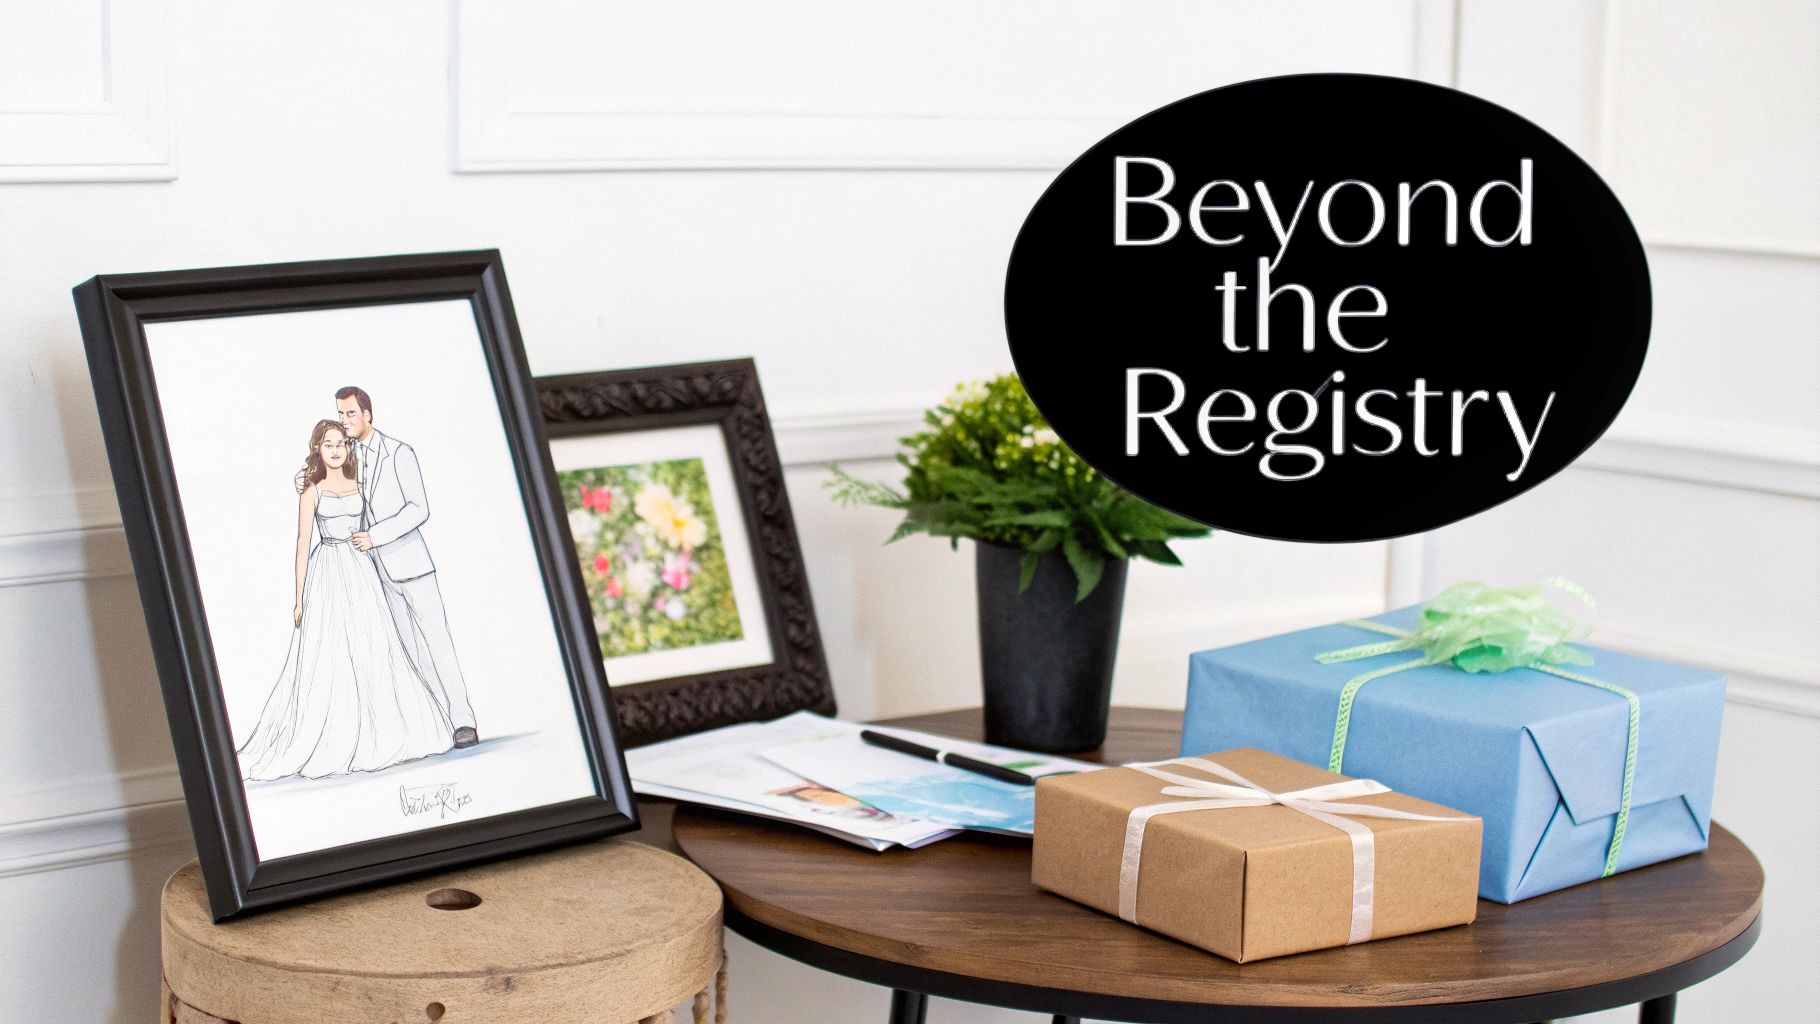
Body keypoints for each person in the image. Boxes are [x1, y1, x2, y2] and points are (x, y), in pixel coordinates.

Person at [238, 421, 454, 780]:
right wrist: (298, 597)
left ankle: (381, 731)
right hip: (328, 572)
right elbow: (302, 544)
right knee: (330, 653)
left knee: (374, 648)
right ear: (317, 449)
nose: (336, 449)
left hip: (362, 572)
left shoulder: (360, 483)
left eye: (341, 443)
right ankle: (333, 736)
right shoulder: (311, 490)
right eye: (328, 444)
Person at [326, 385, 479, 749]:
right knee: (409, 649)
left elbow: (418, 508)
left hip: (412, 565)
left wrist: (375, 536)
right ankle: (439, 723)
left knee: (437, 643)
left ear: (367, 414)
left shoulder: (399, 453)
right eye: (340, 413)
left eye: (350, 413)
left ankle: (464, 720)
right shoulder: (345, 458)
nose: (344, 420)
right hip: (376, 573)